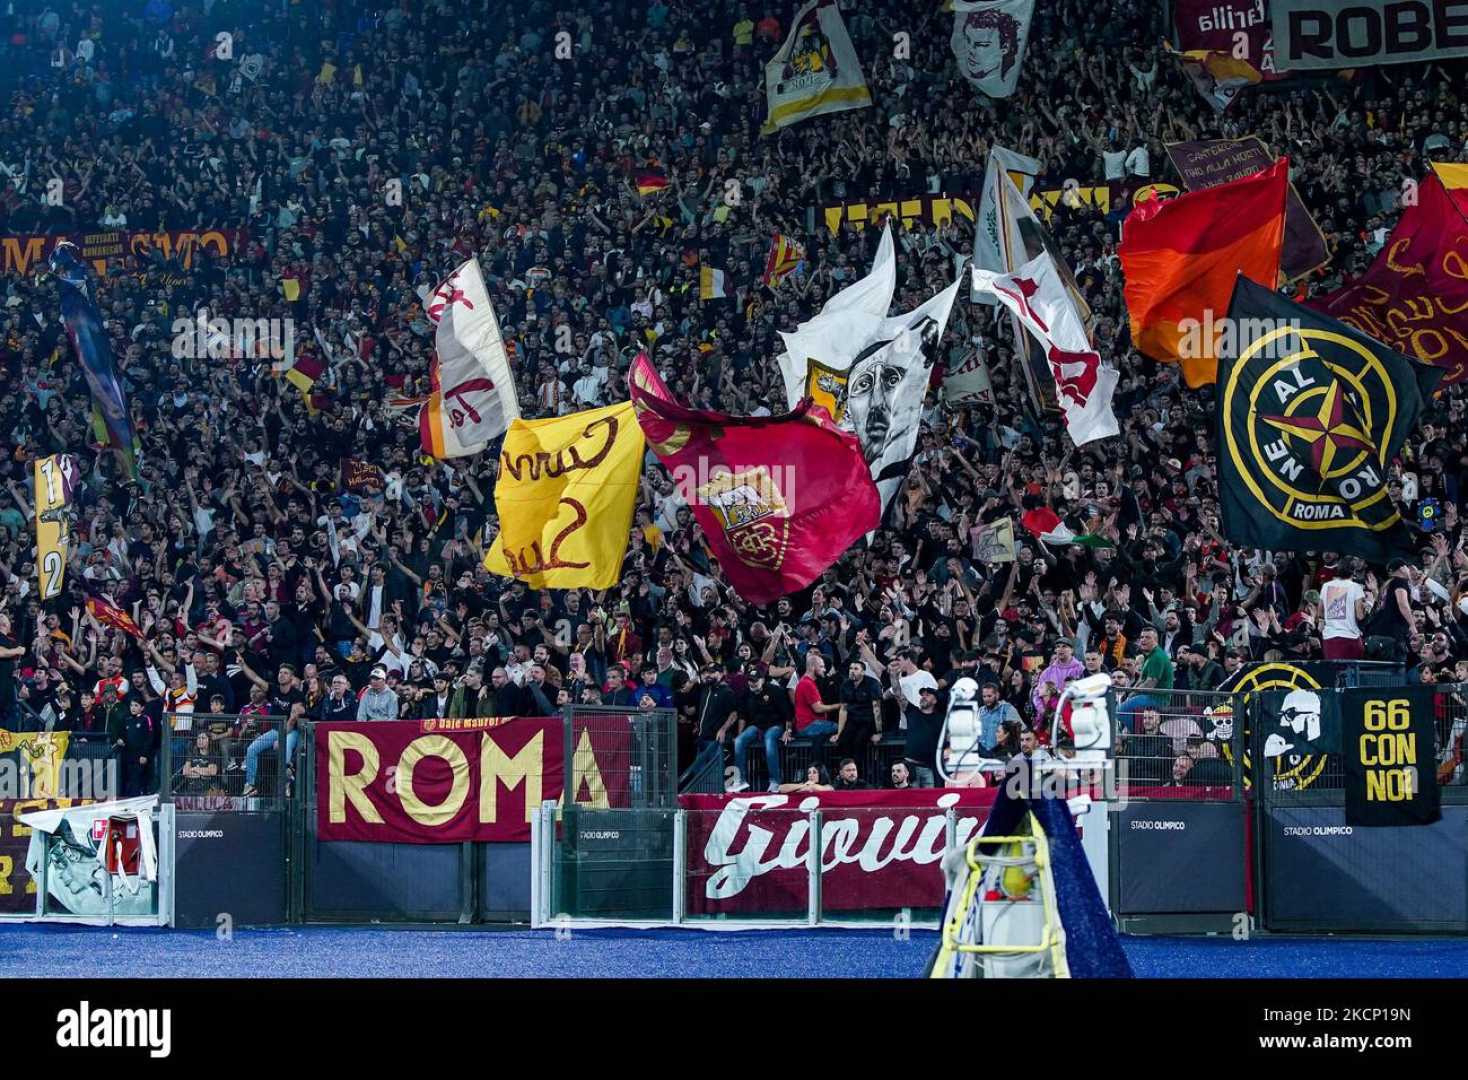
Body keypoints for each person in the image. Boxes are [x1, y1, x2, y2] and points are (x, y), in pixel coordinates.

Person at [732, 665, 793, 792]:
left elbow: (788, 713)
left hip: (775, 725)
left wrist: (788, 730)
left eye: (755, 680)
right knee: (739, 741)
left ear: (763, 680)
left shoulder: (775, 691)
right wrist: (740, 734)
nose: (752, 683)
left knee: (769, 738)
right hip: (757, 726)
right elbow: (742, 716)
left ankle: (775, 781)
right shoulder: (746, 693)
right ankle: (740, 780)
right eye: (750, 680)